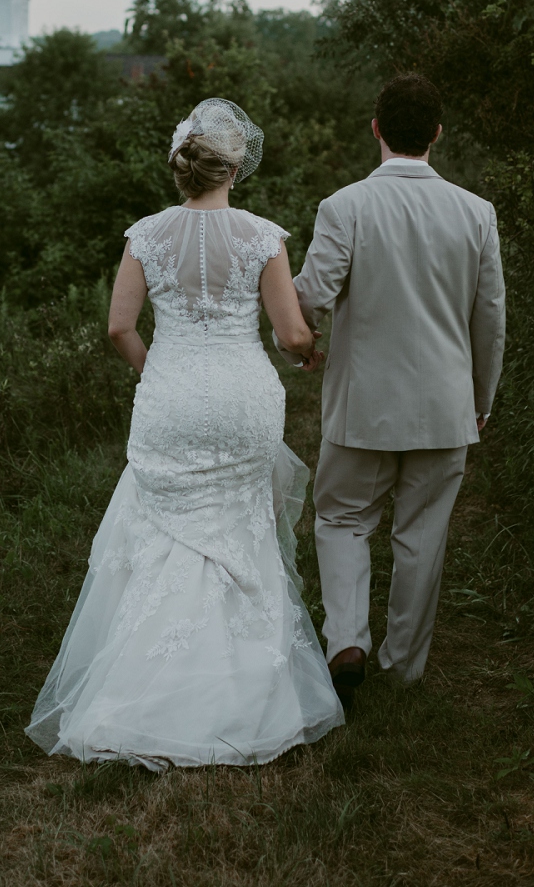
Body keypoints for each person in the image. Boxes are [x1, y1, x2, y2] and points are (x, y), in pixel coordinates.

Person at [27, 98, 345, 771]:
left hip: (171, 396)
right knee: (240, 528)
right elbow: (290, 334)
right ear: (233, 168)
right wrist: (311, 349)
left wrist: (158, 372)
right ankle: (248, 697)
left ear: (183, 166)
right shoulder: (262, 236)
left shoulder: (146, 235)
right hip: (241, 398)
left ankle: (137, 697)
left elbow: (118, 326)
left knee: (165, 533)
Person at [292, 74, 504, 697]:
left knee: (342, 519)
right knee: (422, 535)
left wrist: (296, 343)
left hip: (362, 405)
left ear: (376, 128)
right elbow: (490, 320)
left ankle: (347, 640)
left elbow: (310, 297)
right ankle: (404, 669)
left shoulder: (345, 206)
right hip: (445, 405)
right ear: (438, 133)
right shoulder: (476, 213)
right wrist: (481, 399)